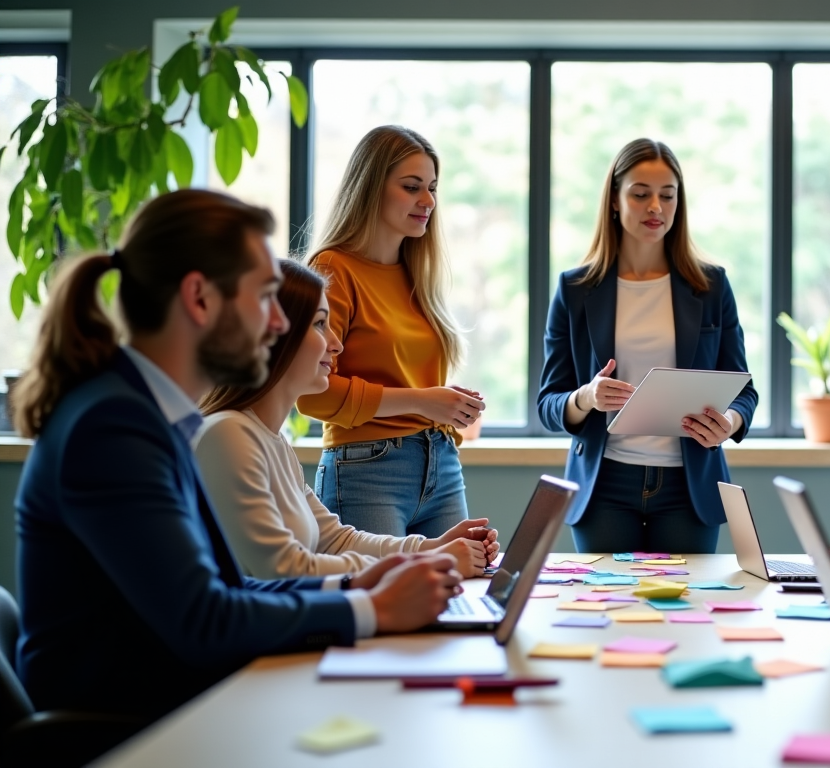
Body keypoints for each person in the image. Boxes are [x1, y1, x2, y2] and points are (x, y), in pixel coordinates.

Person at [11, 190, 463, 725]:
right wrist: (373, 609)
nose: (278, 324)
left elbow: (224, 591)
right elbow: (206, 620)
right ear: (200, 299)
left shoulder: (148, 414)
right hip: (132, 732)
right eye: (266, 296)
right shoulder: (113, 427)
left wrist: (352, 585)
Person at [195, 259, 500, 580]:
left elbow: (336, 540)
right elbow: (284, 568)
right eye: (319, 324)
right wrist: (424, 563)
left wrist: (433, 548)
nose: (336, 344)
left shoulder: (272, 442)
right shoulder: (228, 434)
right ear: (271, 333)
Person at [538, 138, 758, 553]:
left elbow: (743, 390)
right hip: (604, 485)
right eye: (640, 194)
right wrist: (586, 397)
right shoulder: (575, 289)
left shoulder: (710, 286)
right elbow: (549, 402)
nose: (655, 207)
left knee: (685, 613)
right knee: (607, 609)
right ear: (616, 201)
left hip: (688, 488)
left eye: (667, 195)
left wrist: (729, 423)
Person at [296, 125, 481, 538]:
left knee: (458, 595)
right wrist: (424, 401)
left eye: (433, 188)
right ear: (370, 188)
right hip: (367, 468)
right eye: (412, 186)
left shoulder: (417, 274)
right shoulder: (333, 269)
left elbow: (409, 382)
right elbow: (310, 393)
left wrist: (447, 406)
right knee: (386, 599)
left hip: (441, 462)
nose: (428, 201)